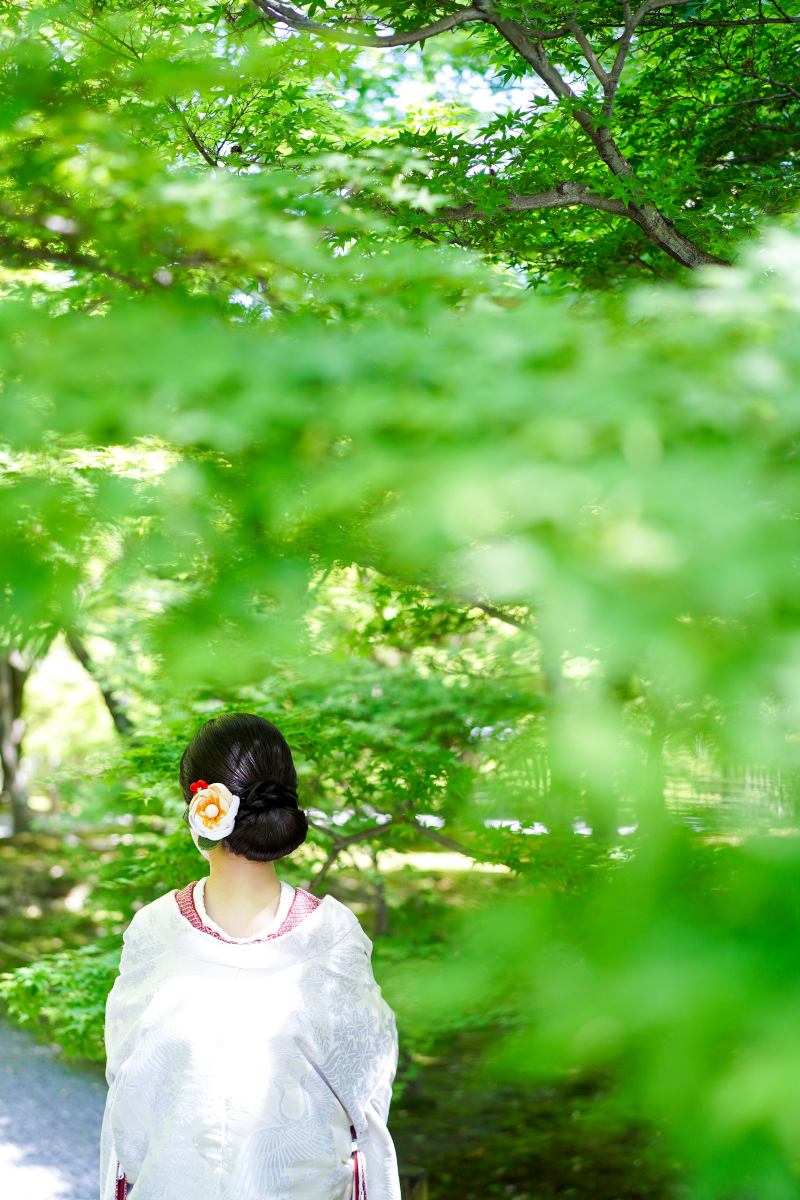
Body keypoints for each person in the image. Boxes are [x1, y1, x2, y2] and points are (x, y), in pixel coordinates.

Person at [100, 712, 400, 1200]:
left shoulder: (158, 931)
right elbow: (365, 1095)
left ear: (196, 804)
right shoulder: (331, 936)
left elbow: (127, 1092)